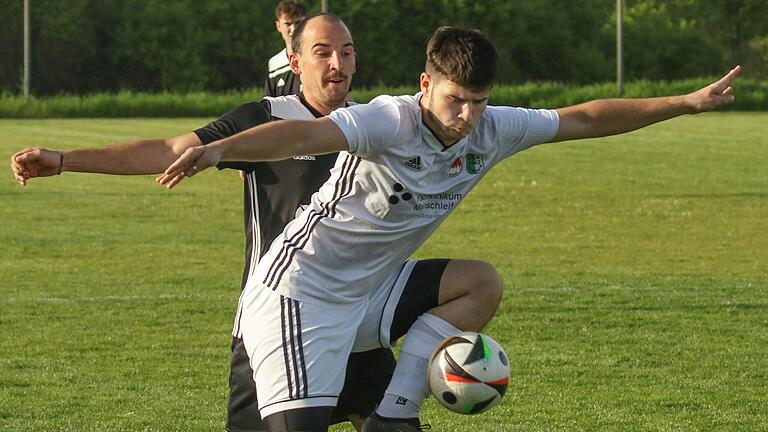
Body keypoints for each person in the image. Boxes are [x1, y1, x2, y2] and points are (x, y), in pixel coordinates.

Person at [157, 26, 742, 432]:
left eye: (479, 102)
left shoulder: (492, 128)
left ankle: (396, 411)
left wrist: (684, 102)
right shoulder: (389, 119)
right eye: (456, 100)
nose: (467, 117)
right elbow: (304, 136)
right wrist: (218, 150)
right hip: (297, 296)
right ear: (425, 84)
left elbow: (584, 117)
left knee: (479, 283)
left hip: (369, 293)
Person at [9, 16, 503, 432]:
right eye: (322, 52)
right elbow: (167, 151)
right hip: (279, 319)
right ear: (294, 63)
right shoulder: (267, 118)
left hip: (357, 311)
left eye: (348, 53)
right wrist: (65, 159)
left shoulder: (375, 123)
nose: (338, 64)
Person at [265, 0, 306, 97]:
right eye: (288, 24)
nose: (293, 29)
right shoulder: (274, 64)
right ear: (278, 26)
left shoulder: (316, 57)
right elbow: (269, 104)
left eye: (298, 22)